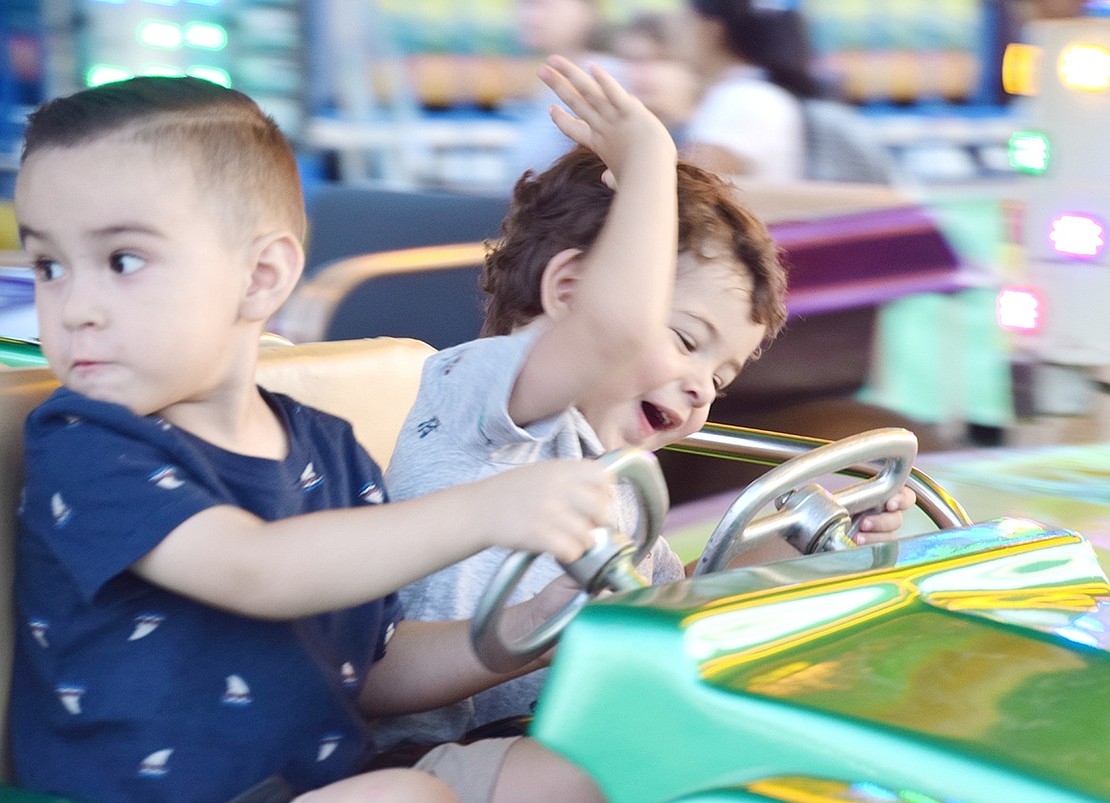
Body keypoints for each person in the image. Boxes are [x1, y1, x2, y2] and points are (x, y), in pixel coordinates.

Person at [8, 67, 638, 802]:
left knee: (568, 773)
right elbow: (256, 569)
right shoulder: (87, 442)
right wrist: (490, 507)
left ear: (260, 276)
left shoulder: (327, 447)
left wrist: (531, 623)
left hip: (327, 778)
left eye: (122, 260)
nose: (75, 305)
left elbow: (372, 666)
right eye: (49, 266)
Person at [377, 141, 915, 749]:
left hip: (547, 740)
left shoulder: (620, 481)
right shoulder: (481, 395)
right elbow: (602, 329)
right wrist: (649, 157)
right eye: (686, 341)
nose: (699, 390)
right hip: (429, 755)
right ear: (571, 292)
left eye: (719, 379)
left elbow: (658, 597)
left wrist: (788, 551)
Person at [680, 0, 822, 181]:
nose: (677, 35)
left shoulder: (741, 99)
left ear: (710, 31)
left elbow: (692, 183)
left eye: (685, 22)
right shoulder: (756, 93)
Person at [504, 0, 622, 180]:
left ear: (586, 10)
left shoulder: (602, 79)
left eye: (541, 4)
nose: (527, 15)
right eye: (523, 3)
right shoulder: (547, 80)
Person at [611, 11, 702, 145]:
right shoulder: (615, 139)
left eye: (657, 59)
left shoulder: (716, 130)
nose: (637, 73)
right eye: (629, 60)